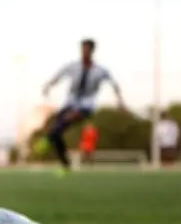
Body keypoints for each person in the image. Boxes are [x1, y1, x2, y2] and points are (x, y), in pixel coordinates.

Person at [40, 38, 125, 173]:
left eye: (87, 49)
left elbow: (114, 85)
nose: (84, 52)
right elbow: (59, 75)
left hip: (87, 105)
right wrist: (48, 86)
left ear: (92, 51)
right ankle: (65, 164)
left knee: (68, 118)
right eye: (82, 49)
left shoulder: (100, 71)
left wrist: (121, 102)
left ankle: (47, 141)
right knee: (55, 131)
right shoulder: (73, 66)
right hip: (71, 102)